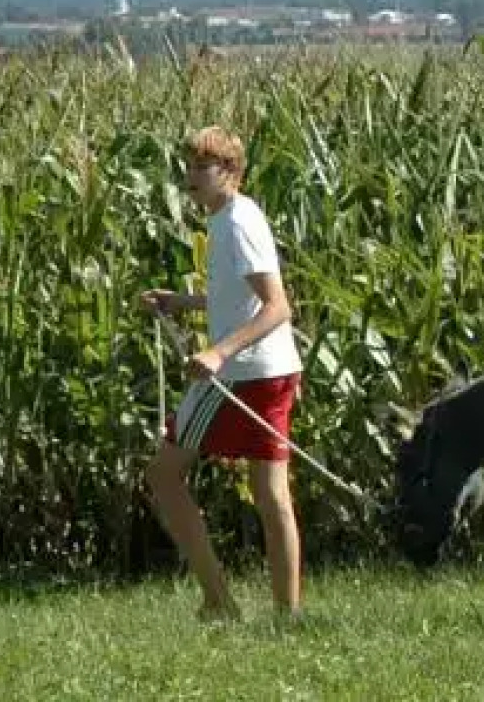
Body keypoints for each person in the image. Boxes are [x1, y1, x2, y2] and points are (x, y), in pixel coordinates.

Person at [139, 125, 306, 622]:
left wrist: (217, 352)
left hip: (241, 376)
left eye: (202, 167)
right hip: (268, 371)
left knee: (164, 475)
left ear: (229, 172)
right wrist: (183, 302)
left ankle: (218, 602)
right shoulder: (230, 218)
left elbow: (277, 307)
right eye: (187, 166)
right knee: (269, 490)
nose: (190, 176)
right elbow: (240, 300)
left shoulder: (235, 224)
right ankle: (286, 615)